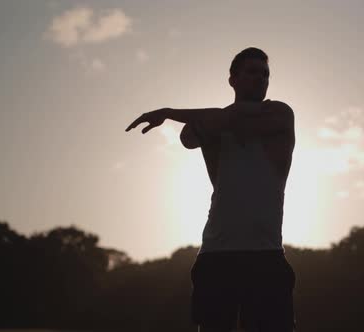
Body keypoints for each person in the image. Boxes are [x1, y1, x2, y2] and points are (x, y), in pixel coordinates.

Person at [125, 47, 296, 332]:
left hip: (266, 255)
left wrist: (168, 112)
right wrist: (205, 122)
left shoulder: (280, 113)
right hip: (217, 254)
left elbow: (220, 120)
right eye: (252, 72)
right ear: (232, 79)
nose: (261, 79)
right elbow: (188, 138)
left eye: (266, 74)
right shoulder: (213, 123)